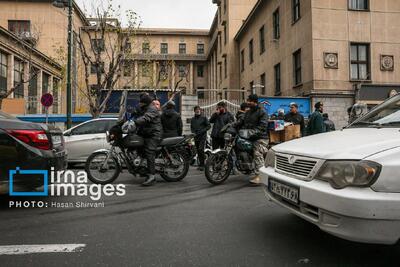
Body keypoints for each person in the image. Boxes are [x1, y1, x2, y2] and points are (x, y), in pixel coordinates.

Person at [234, 94, 269, 185]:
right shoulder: (248, 112)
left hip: (260, 138)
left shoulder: (262, 112)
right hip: (249, 137)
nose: (248, 102)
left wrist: (250, 132)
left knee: (257, 153)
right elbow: (241, 122)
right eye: (247, 101)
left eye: (250, 101)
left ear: (255, 102)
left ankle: (260, 176)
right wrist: (232, 125)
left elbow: (262, 127)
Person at [135, 94, 163, 186]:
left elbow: (146, 118)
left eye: (141, 102)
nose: (140, 104)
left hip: (155, 134)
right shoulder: (145, 108)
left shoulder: (152, 109)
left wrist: (135, 122)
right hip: (148, 132)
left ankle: (152, 176)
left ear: (145, 103)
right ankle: (143, 168)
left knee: (149, 151)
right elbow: (138, 113)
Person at [190, 106, 211, 171]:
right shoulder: (193, 119)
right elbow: (192, 127)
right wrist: (193, 132)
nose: (198, 110)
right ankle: (201, 164)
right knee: (198, 151)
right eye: (196, 109)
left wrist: (202, 131)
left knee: (201, 149)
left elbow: (209, 126)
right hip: (196, 136)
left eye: (199, 109)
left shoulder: (204, 118)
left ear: (200, 110)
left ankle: (203, 164)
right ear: (194, 111)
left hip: (202, 136)